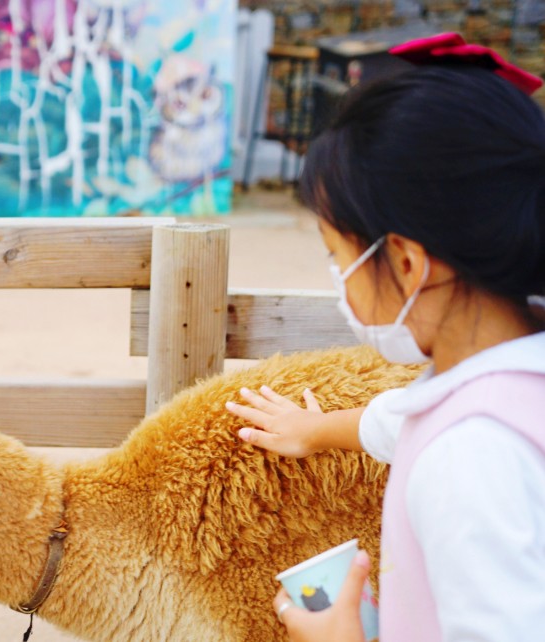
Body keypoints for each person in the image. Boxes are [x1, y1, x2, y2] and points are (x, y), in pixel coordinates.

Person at [226, 33, 545, 641]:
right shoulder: (503, 384)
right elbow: (397, 421)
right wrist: (315, 430)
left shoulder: (471, 457)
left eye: (337, 255)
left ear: (405, 264)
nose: (337, 279)